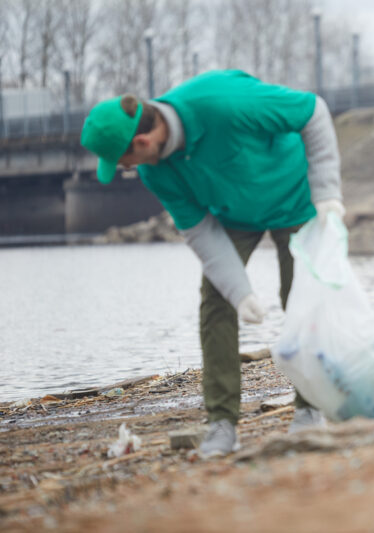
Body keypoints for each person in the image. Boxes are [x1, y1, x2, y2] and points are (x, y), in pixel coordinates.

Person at [80, 70, 345, 458]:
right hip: (233, 216)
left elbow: (313, 112)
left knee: (302, 298)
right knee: (217, 300)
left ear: (142, 140)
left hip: (295, 198)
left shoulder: (224, 102)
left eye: (124, 161)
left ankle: (309, 409)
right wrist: (240, 292)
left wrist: (327, 192)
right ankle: (222, 423)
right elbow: (201, 232)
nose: (128, 169)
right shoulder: (156, 171)